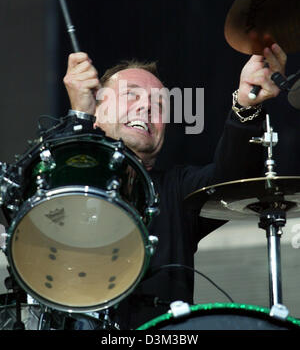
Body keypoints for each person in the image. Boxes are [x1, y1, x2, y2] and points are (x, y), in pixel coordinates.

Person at [63, 43, 287, 329]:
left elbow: (233, 176)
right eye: (130, 96)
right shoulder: (55, 170)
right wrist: (79, 120)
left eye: (158, 105)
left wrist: (247, 104)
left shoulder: (176, 191)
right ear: (96, 108)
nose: (145, 107)